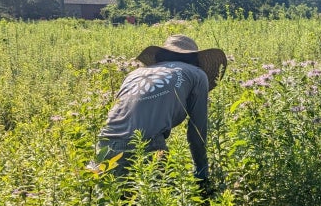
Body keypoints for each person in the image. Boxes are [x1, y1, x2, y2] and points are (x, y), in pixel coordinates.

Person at [96, 34, 227, 190]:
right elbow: (197, 131)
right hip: (146, 145)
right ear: (195, 59)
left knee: (110, 205)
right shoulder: (197, 74)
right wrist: (201, 174)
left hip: (104, 145)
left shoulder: (134, 74)